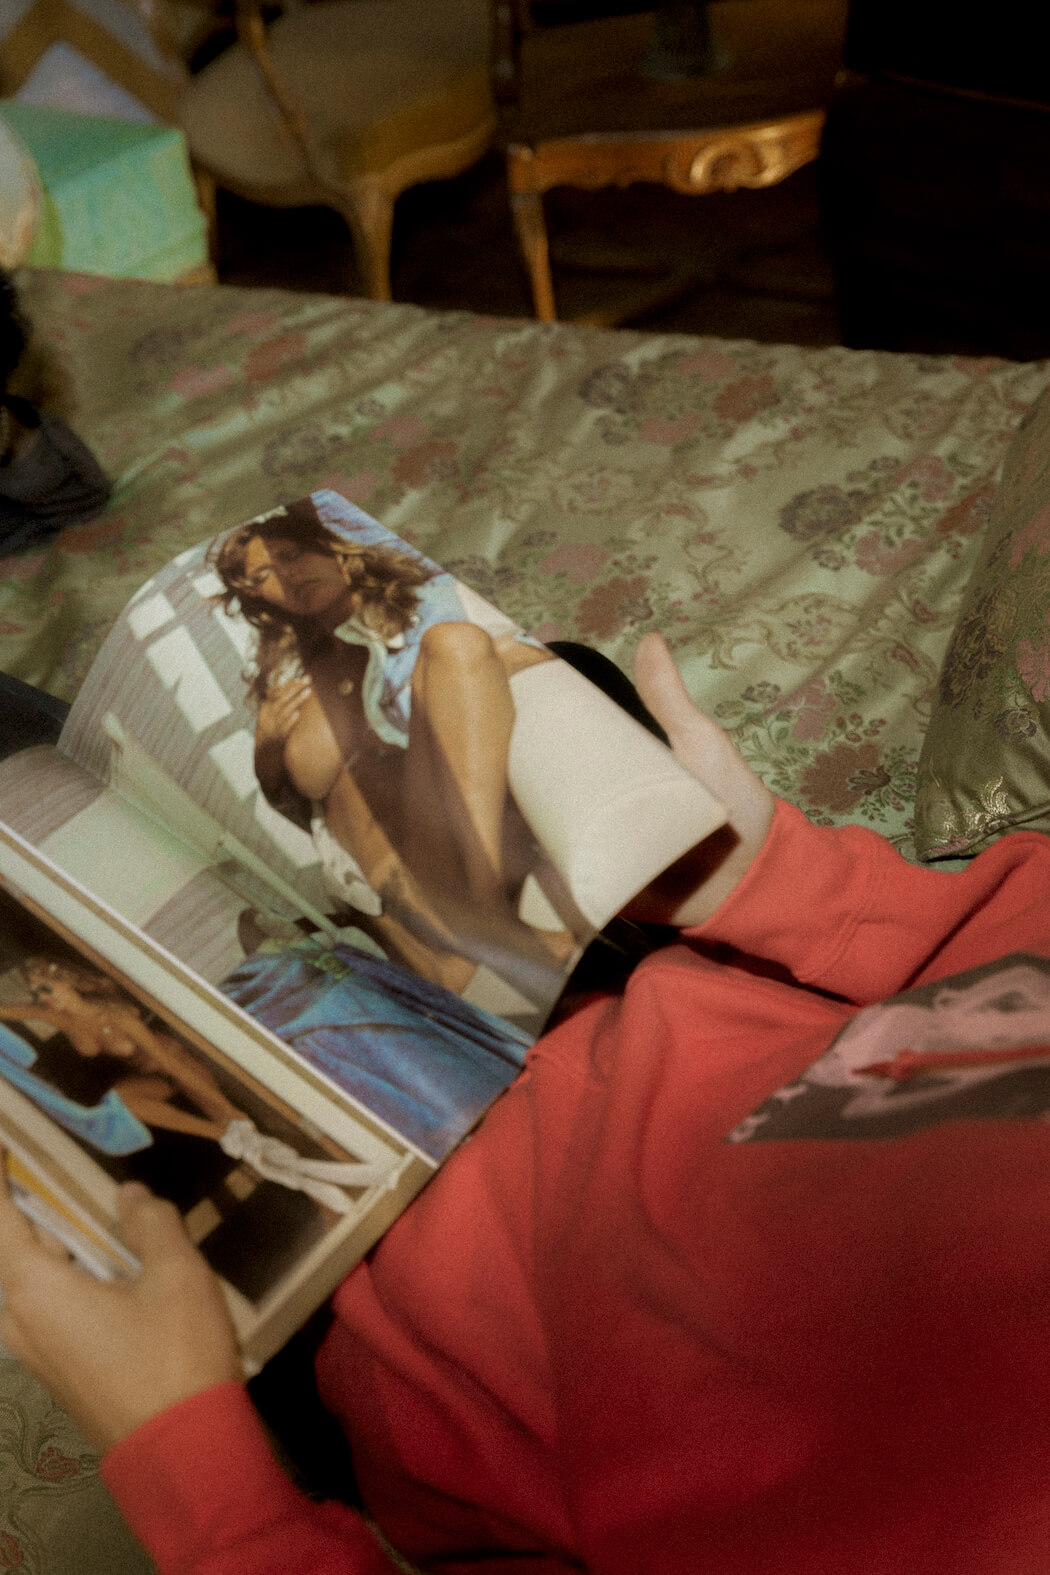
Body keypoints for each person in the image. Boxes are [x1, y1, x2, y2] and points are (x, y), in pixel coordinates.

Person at [1, 633, 1049, 1575]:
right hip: (606, 987)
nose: (282, 689)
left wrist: (196, 1473)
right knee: (533, 672)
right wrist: (772, 874)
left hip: (360, 1276)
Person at [210, 498, 573, 1000]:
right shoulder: (296, 668)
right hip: (392, 850)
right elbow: (300, 791)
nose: (285, 577)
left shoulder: (419, 604)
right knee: (352, 787)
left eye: (291, 555)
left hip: (452, 814)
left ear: (333, 547)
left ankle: (482, 911)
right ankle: (470, 929)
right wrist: (267, 749)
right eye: (261, 577)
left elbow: (484, 663)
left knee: (452, 649)